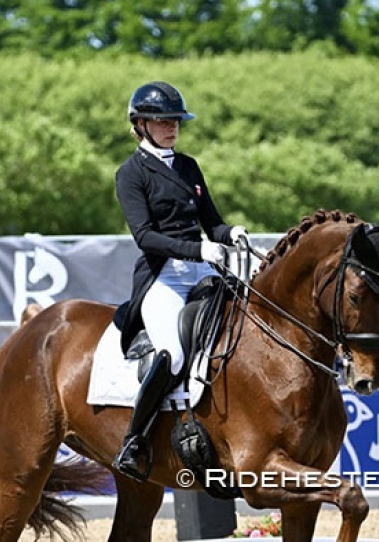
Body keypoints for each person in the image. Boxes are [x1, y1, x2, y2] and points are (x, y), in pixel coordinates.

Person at [112, 81, 249, 479]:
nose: (172, 128)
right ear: (141, 125)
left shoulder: (188, 165)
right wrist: (198, 250)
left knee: (239, 325)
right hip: (162, 275)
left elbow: (212, 222)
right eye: (162, 121)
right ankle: (134, 440)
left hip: (203, 268)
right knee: (170, 352)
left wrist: (229, 234)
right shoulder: (131, 173)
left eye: (175, 121)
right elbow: (144, 237)